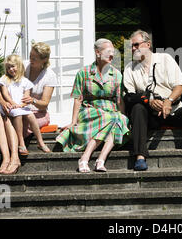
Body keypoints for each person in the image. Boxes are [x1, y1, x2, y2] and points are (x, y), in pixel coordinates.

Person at [123, 30, 182, 171]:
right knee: (137, 109)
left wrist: (168, 100)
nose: (133, 49)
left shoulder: (165, 59)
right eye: (131, 46)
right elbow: (129, 96)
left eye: (136, 45)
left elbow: (179, 87)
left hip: (173, 110)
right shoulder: (130, 68)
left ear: (148, 44)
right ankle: (140, 157)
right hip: (151, 115)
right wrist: (148, 101)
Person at [56, 38, 130, 173]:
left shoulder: (117, 74)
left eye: (113, 52)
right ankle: (87, 158)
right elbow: (78, 99)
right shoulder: (83, 73)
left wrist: (123, 116)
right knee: (113, 118)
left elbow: (119, 100)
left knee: (120, 119)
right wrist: (73, 121)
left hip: (110, 109)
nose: (112, 55)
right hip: (90, 109)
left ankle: (97, 159)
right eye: (108, 52)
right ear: (97, 52)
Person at [0, 42, 56, 174]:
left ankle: (15, 158)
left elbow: (44, 103)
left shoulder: (49, 75)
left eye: (35, 58)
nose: (31, 59)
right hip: (17, 108)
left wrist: (32, 100)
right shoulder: (22, 66)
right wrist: (3, 102)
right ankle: (6, 159)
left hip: (37, 112)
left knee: (12, 119)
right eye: (30, 56)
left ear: (44, 60)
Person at [0, 54, 51, 157]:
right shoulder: (5, 79)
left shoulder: (25, 81)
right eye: (8, 67)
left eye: (13, 66)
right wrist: (13, 103)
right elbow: (4, 93)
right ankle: (21, 143)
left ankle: (40, 142)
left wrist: (21, 105)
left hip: (20, 106)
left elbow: (26, 97)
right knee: (18, 114)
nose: (10, 69)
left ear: (19, 66)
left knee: (31, 115)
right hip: (10, 106)